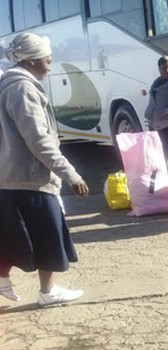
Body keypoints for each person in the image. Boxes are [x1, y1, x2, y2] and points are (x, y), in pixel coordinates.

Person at [0, 32, 90, 306]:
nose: (51, 65)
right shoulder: (23, 88)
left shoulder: (10, 84)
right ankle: (48, 292)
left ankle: (3, 280)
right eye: (48, 60)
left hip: (11, 175)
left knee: (12, 234)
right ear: (32, 61)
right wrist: (70, 174)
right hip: (30, 177)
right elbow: (38, 139)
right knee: (48, 235)